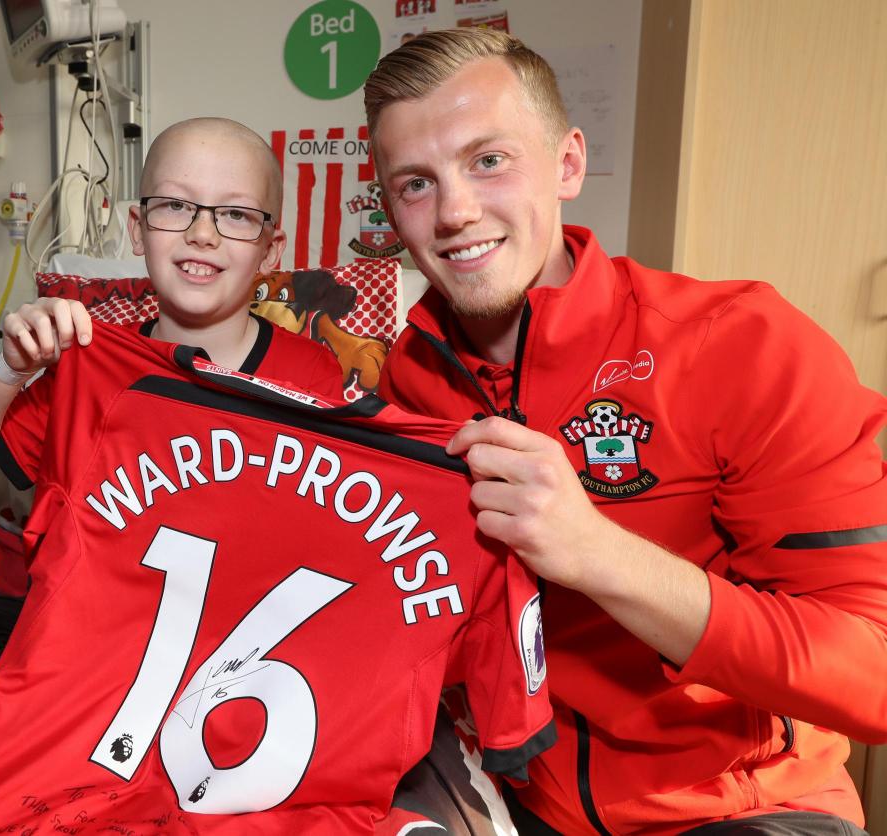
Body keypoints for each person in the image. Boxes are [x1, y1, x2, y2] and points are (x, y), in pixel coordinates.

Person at [363, 27, 887, 835]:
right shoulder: (412, 377)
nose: (457, 211)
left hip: (741, 810)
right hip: (522, 801)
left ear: (568, 162)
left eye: (489, 160)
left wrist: (599, 554)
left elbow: (874, 671)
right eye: (416, 184)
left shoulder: (741, 345)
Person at [0, 117, 345, 737]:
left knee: (338, 685)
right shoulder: (91, 361)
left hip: (236, 647)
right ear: (137, 229)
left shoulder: (310, 372)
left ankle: (111, 723)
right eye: (175, 206)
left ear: (271, 247)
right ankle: (121, 720)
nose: (202, 233)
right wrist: (10, 369)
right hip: (96, 634)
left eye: (234, 214)